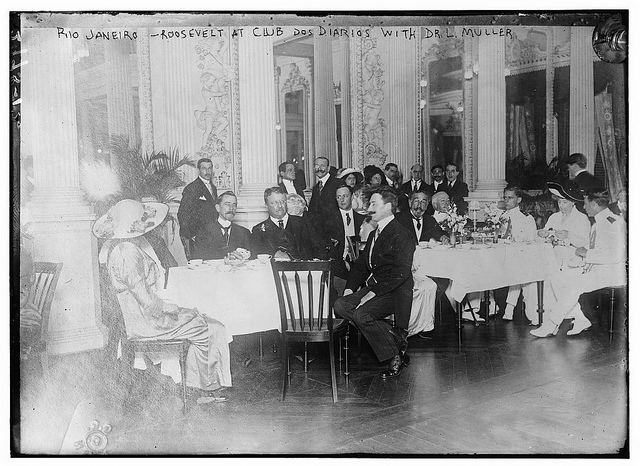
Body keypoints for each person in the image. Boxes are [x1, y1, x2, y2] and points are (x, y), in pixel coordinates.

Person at [94, 199, 231, 402]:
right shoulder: (127, 253)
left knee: (208, 323)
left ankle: (199, 385)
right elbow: (148, 301)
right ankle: (205, 388)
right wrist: (175, 309)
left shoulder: (124, 248)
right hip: (148, 323)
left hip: (146, 318)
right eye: (143, 219)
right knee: (212, 328)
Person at [334, 186, 416, 380]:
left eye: (373, 204)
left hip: (396, 290)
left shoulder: (402, 233)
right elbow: (362, 266)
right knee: (341, 304)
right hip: (377, 287)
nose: (369, 207)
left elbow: (401, 272)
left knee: (363, 315)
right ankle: (397, 340)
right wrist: (350, 288)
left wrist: (373, 293)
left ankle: (394, 356)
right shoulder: (374, 233)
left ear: (388, 207)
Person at [531, 188, 626, 338]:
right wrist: (581, 257)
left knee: (573, 284)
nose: (584, 207)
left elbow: (615, 255)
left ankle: (551, 324)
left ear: (594, 204)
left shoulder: (612, 223)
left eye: (586, 204)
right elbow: (595, 248)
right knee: (562, 280)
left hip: (611, 273)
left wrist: (587, 254)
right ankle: (580, 320)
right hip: (597, 270)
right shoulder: (599, 222)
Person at [250, 187, 327, 260]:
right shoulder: (258, 230)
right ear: (266, 205)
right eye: (274, 203)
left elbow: (319, 250)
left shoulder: (304, 223)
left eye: (283, 201)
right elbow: (256, 256)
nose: (280, 206)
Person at [499, 185, 538, 321]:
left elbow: (531, 240)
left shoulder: (526, 218)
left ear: (519, 199)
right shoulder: (501, 216)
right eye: (505, 198)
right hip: (504, 255)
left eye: (510, 198)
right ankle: (496, 306)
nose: (507, 201)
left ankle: (511, 308)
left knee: (519, 272)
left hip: (521, 256)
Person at [322, 185, 366, 299]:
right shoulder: (328, 220)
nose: (342, 200)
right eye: (338, 197)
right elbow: (326, 245)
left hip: (358, 266)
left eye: (345, 196)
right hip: (338, 267)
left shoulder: (362, 219)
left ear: (352, 197)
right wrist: (341, 261)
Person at [177, 158, 218, 258]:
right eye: (204, 168)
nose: (207, 171)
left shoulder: (213, 188)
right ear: (198, 170)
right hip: (197, 237)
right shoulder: (192, 188)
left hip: (211, 235)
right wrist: (191, 236)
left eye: (209, 168)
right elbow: (182, 214)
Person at [193, 191, 251, 260]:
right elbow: (199, 259)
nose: (231, 208)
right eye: (227, 204)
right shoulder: (204, 232)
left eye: (234, 205)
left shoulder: (244, 233)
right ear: (217, 208)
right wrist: (227, 256)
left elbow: (251, 259)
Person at [307, 157, 345, 227]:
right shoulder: (316, 187)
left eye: (322, 166)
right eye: (317, 165)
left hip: (335, 227)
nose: (319, 169)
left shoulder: (337, 183)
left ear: (328, 168)